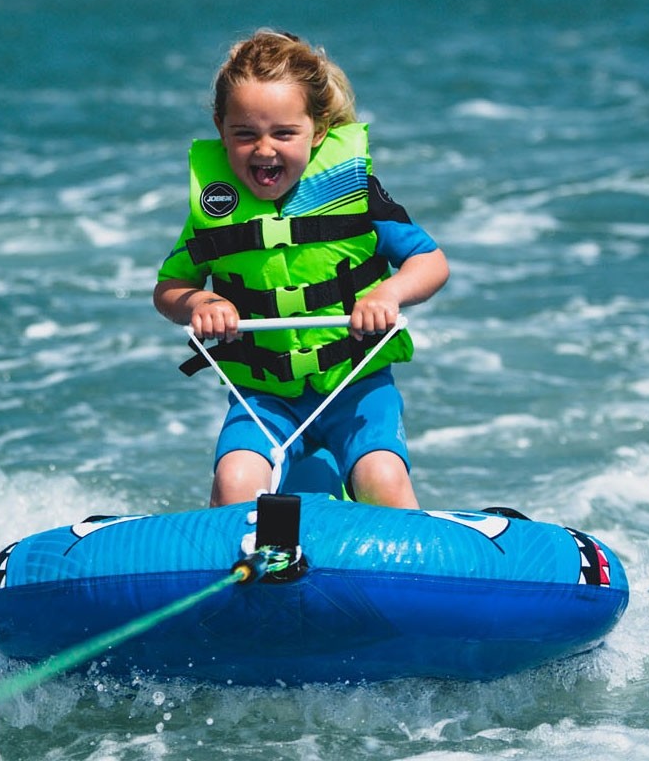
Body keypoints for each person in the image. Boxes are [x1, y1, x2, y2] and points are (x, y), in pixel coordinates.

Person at [154, 29, 449, 509]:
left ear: (320, 129)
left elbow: (430, 261)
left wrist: (387, 295)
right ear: (220, 127)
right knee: (235, 480)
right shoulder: (215, 210)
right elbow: (170, 286)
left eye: (284, 134)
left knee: (383, 476)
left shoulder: (354, 193)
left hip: (356, 388)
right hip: (262, 398)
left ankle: (410, 568)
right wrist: (200, 301)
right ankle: (232, 565)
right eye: (244, 134)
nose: (264, 150)